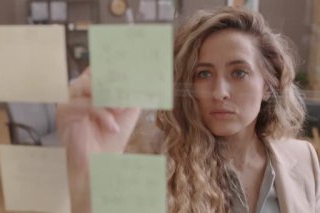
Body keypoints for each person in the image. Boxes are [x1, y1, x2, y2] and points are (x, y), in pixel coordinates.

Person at [56, 7, 320, 213]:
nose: (219, 92)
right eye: (203, 73)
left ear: (268, 86)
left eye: (239, 72)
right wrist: (85, 177)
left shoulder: (302, 157)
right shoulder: (156, 163)